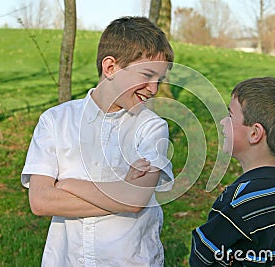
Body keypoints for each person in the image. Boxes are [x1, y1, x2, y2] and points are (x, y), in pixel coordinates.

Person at [21, 16, 174, 266]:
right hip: (67, 259)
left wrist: (68, 184)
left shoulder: (152, 127)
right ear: (110, 67)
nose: (154, 88)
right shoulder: (55, 121)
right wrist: (121, 192)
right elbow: (40, 201)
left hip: (129, 260)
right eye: (147, 75)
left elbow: (136, 201)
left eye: (160, 79)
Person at [189, 77, 275, 266]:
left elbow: (202, 255)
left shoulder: (239, 201)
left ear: (255, 133)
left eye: (230, 116)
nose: (222, 121)